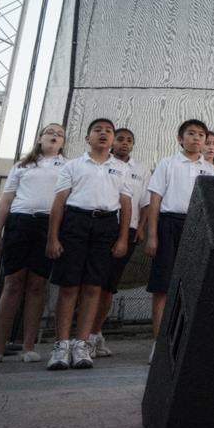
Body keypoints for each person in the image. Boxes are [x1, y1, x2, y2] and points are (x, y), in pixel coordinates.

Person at [45, 118, 132, 370]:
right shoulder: (73, 166)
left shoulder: (121, 168)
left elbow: (125, 205)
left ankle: (82, 344)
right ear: (87, 138)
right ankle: (62, 345)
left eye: (108, 131)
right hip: (75, 223)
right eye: (97, 130)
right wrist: (53, 237)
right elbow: (59, 201)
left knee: (94, 287)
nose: (103, 134)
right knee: (69, 286)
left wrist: (123, 238)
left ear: (113, 139)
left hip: (106, 227)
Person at [0, 123, 67, 364]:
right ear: (39, 138)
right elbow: (6, 200)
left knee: (38, 284)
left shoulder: (68, 167)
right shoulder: (22, 166)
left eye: (60, 135)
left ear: (63, 143)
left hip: (48, 225)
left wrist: (57, 236)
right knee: (13, 283)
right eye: (50, 132)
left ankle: (29, 346)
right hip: (19, 222)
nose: (55, 136)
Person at [146, 119, 214, 358]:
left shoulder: (210, 170)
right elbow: (155, 200)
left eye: (201, 135)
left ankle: (184, 342)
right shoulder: (168, 163)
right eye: (191, 133)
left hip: (197, 227)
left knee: (193, 284)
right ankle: (158, 342)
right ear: (180, 138)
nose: (197, 138)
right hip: (169, 225)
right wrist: (152, 235)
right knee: (163, 286)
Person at [87, 127, 149, 358]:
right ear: (113, 142)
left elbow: (144, 202)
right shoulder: (103, 165)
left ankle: (95, 333)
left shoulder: (140, 169)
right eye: (121, 139)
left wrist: (140, 229)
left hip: (129, 230)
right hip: (102, 228)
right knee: (92, 282)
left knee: (108, 286)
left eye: (129, 140)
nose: (124, 143)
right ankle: (86, 336)